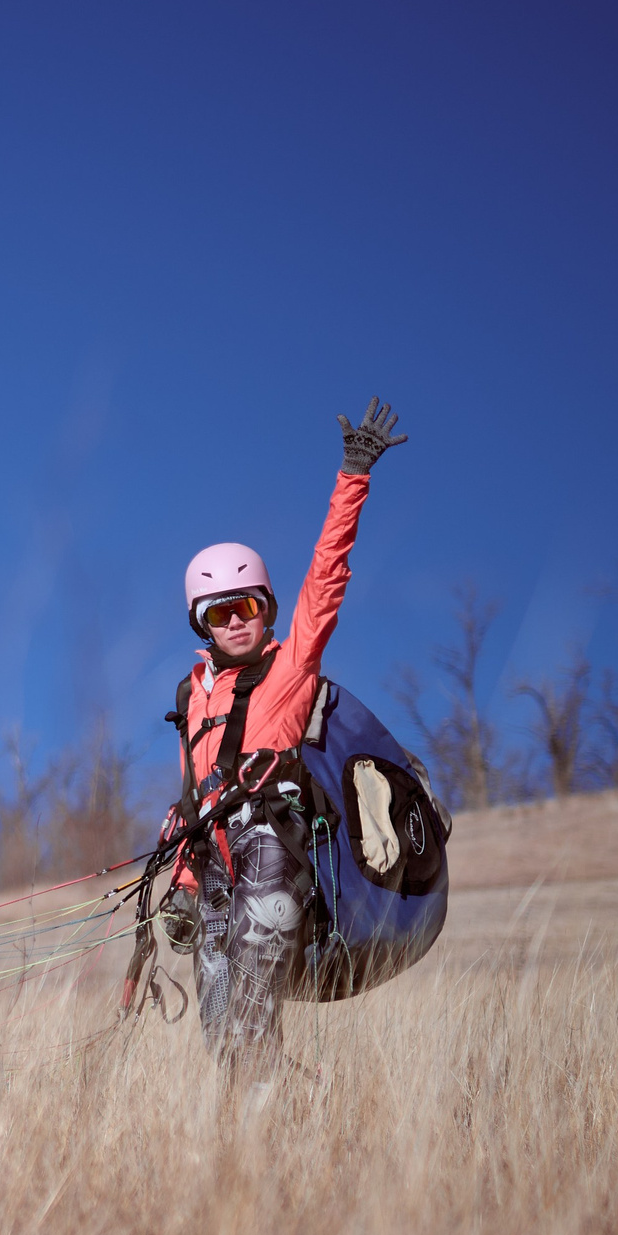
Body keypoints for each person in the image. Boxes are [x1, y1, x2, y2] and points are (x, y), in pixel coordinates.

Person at [162, 399, 408, 1064]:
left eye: (250, 607)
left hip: (272, 850)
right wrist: (183, 887)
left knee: (248, 997)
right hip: (212, 862)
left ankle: (276, 1115)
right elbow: (194, 800)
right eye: (221, 613)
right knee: (222, 1033)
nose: (238, 622)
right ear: (201, 625)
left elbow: (327, 579)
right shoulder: (193, 696)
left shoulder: (291, 664)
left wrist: (352, 477)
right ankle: (276, 1128)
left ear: (268, 608)